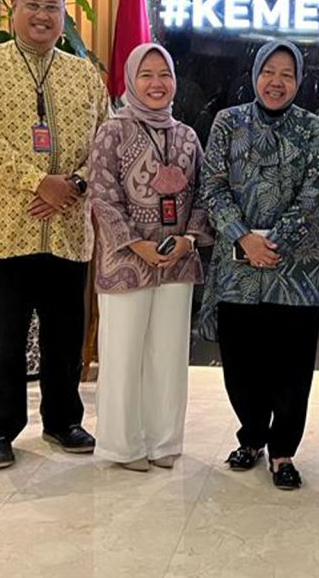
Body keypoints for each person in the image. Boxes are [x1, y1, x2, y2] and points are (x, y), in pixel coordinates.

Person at [0, 0, 109, 470]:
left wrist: (75, 185)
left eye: (52, 8)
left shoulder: (84, 75)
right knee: (0, 338)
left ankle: (63, 420)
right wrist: (37, 181)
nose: (42, 16)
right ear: (13, 9)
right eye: (33, 5)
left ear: (64, 17)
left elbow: (106, 143)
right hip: (1, 233)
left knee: (65, 337)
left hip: (67, 231)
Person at [198, 39, 319, 490]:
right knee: (240, 363)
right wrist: (244, 238)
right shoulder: (227, 122)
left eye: (287, 74)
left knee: (292, 367)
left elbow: (316, 192)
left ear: (298, 80)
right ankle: (252, 436)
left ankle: (283, 451)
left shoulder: (312, 127)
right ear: (255, 75)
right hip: (238, 268)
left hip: (296, 270)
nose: (277, 82)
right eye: (269, 72)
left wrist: (272, 242)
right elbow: (212, 187)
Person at [89, 43, 212, 471]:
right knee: (122, 354)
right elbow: (102, 195)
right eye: (147, 75)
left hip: (177, 261)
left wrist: (189, 239)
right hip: (126, 261)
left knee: (169, 355)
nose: (157, 84)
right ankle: (123, 446)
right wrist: (133, 243)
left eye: (165, 75)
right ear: (131, 79)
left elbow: (204, 194)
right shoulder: (113, 131)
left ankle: (163, 442)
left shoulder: (187, 136)